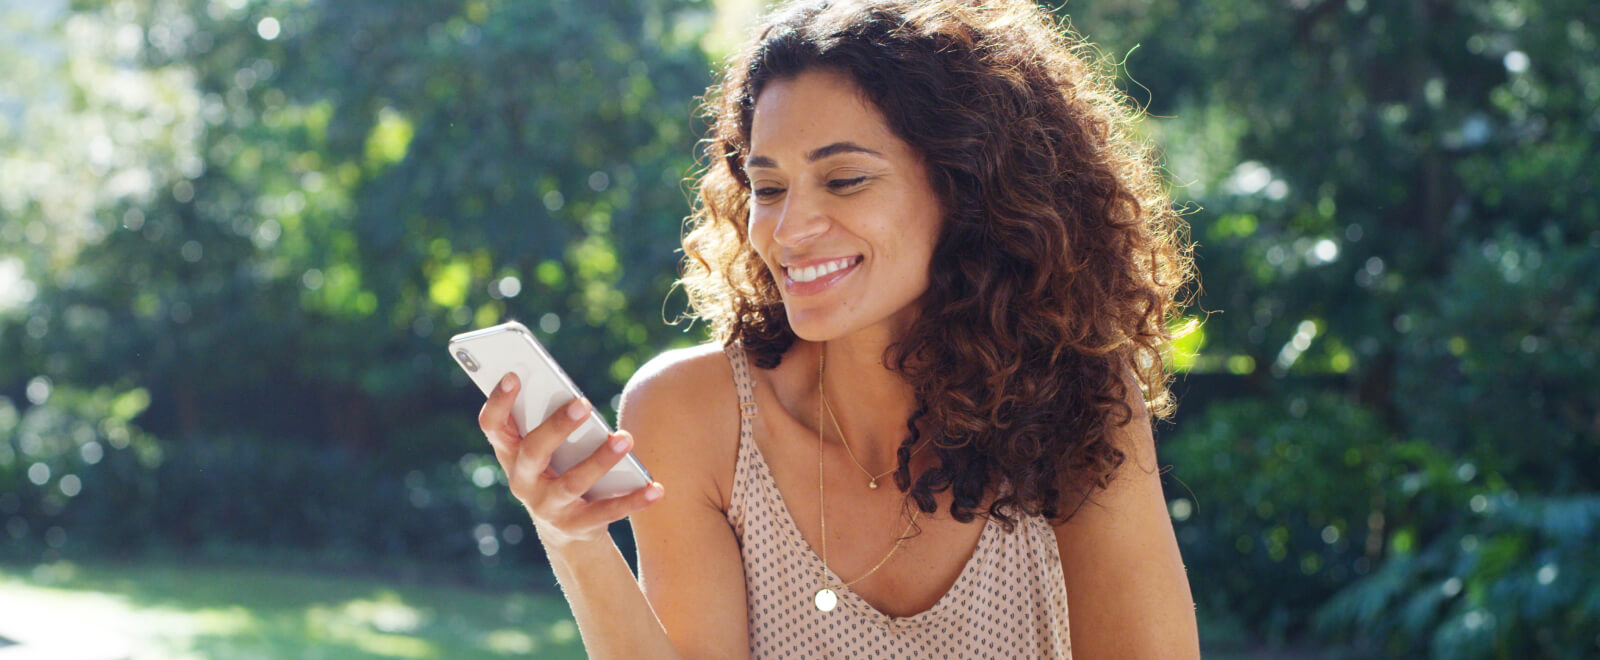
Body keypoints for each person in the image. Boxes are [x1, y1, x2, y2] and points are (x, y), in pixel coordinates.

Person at [475, 0, 1200, 656]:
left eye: (845, 179)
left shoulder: (1075, 402)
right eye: (768, 188)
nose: (789, 229)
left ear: (969, 187)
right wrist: (572, 536)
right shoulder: (691, 415)